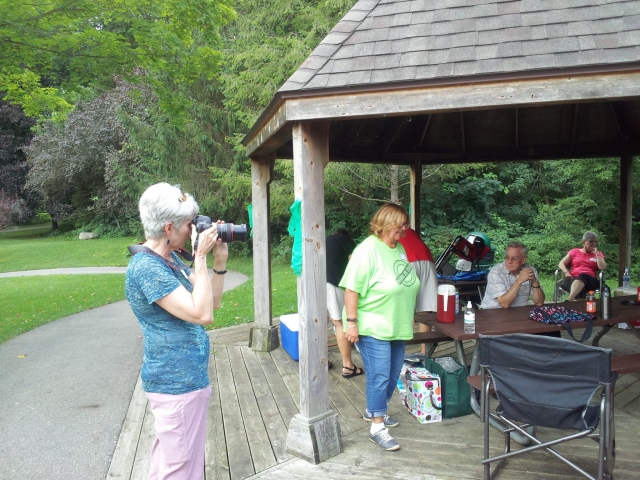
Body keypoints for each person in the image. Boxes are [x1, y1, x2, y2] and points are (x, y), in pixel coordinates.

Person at [125, 183, 228, 480]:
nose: (193, 231)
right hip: (176, 384)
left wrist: (218, 261)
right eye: (189, 225)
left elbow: (212, 301)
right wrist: (201, 256)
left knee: (173, 461)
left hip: (187, 380)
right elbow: (202, 314)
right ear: (169, 227)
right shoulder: (146, 267)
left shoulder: (170, 260)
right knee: (180, 468)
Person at [340, 203, 420, 451]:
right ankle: (377, 427)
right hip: (371, 323)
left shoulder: (399, 248)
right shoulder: (367, 250)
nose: (405, 229)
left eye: (405, 224)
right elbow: (352, 289)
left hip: (396, 322)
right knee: (379, 374)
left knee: (394, 372)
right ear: (386, 222)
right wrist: (352, 324)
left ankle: (375, 410)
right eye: (401, 224)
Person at [326, 228, 364, 378]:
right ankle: (348, 366)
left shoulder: (325, 240)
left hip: (314, 282)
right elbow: (354, 265)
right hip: (332, 281)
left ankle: (321, 361)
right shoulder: (347, 241)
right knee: (340, 323)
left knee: (320, 322)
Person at [397, 227, 438, 355]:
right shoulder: (409, 230)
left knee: (404, 309)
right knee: (425, 310)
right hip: (427, 261)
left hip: (407, 262)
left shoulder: (389, 230)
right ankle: (424, 352)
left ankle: (400, 352)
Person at [480, 241, 545, 309]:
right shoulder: (496, 272)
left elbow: (539, 303)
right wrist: (519, 280)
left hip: (518, 314)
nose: (509, 261)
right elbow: (504, 304)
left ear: (523, 260)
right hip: (492, 314)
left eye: (514, 258)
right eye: (507, 257)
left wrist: (535, 282)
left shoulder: (530, 271)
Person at [558, 231, 607, 301]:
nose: (593, 244)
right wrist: (566, 272)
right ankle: (581, 308)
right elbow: (561, 263)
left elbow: (602, 267)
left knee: (583, 275)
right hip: (572, 279)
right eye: (591, 241)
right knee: (580, 288)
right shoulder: (574, 252)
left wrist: (597, 254)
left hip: (590, 281)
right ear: (584, 242)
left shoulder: (598, 254)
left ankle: (569, 300)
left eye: (595, 242)